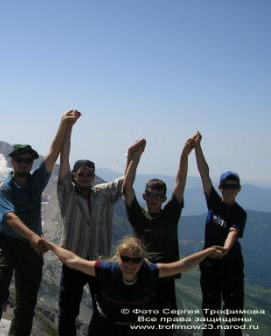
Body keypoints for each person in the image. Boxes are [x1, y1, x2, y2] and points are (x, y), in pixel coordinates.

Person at [0, 110, 81, 336]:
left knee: (26, 304)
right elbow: (9, 217)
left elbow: (54, 152)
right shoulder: (4, 187)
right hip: (5, 245)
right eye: (20, 160)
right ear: (13, 162)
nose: (24, 164)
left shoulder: (36, 181)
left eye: (28, 161)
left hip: (30, 249)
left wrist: (65, 124)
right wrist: (34, 236)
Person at [56, 114, 145, 335]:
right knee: (68, 311)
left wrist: (135, 157)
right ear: (74, 177)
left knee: (105, 309)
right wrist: (68, 128)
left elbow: (126, 182)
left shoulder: (103, 193)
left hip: (99, 263)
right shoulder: (66, 193)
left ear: (94, 176)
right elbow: (64, 157)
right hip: (74, 262)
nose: (86, 177)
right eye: (82, 174)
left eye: (90, 174)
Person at [40, 235, 223, 336]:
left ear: (142, 260)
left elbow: (182, 266)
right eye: (125, 259)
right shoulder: (105, 269)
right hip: (104, 328)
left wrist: (206, 252)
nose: (130, 264)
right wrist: (50, 245)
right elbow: (73, 260)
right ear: (118, 257)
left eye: (135, 260)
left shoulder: (150, 272)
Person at [123, 137, 195, 333]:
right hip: (143, 278)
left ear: (164, 198)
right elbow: (127, 188)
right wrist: (135, 158)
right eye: (150, 195)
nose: (154, 199)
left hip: (166, 279)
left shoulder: (171, 213)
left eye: (158, 196)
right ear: (144, 196)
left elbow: (180, 184)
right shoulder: (138, 216)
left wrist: (184, 155)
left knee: (165, 328)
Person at [192, 131, 247, 336]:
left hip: (231, 262)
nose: (229, 189)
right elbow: (204, 173)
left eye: (233, 186)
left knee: (233, 312)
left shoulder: (239, 213)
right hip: (210, 263)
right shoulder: (213, 202)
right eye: (226, 186)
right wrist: (198, 147)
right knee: (210, 310)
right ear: (220, 187)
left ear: (239, 189)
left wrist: (225, 249)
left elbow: (234, 231)